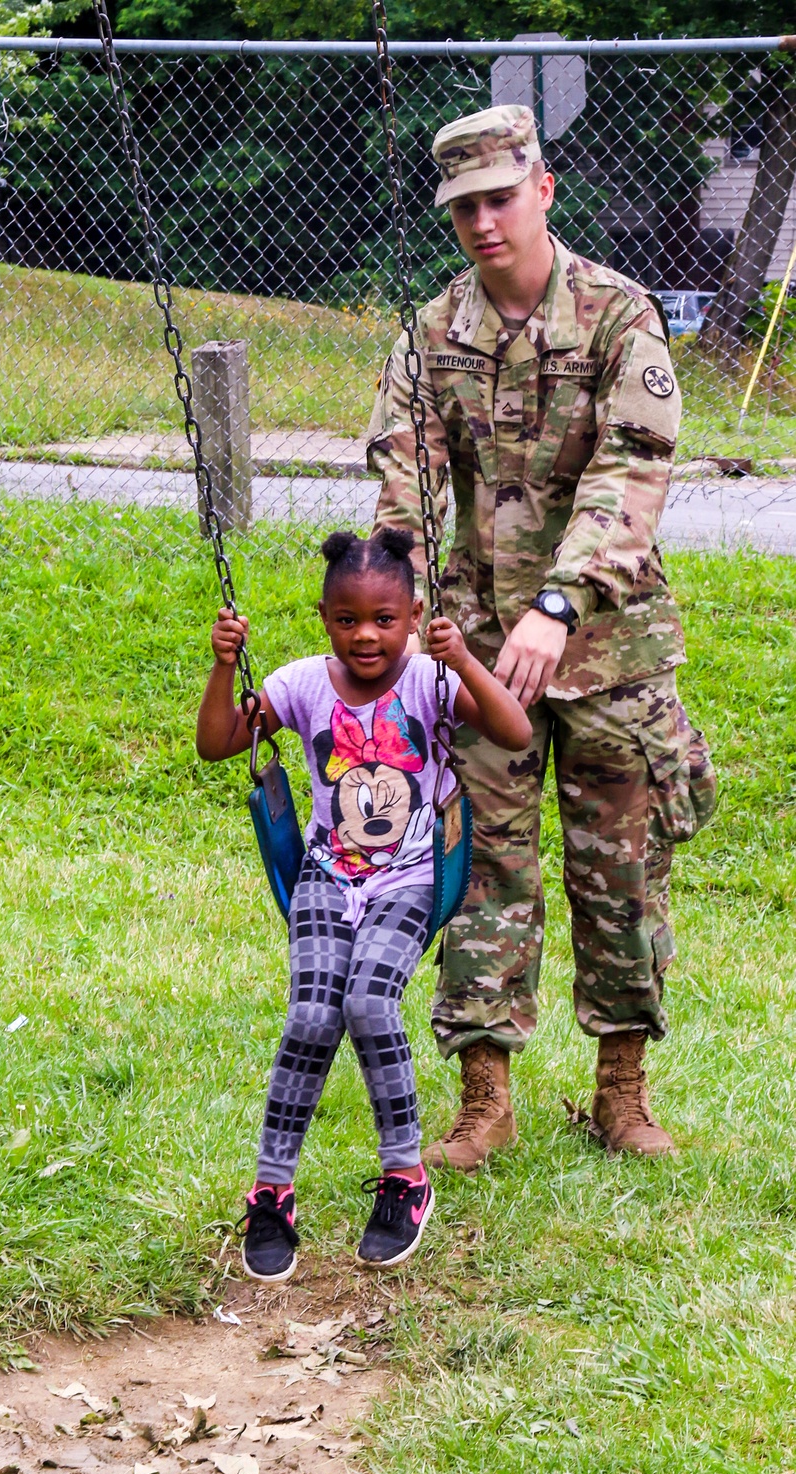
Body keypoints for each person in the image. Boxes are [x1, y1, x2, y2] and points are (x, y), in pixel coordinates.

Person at [366, 104, 716, 1172]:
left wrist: (558, 604)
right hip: (475, 655)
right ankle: (484, 1101)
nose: (480, 222)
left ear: (542, 188)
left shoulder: (618, 315)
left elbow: (633, 465)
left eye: (498, 198)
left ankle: (622, 1093)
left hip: (604, 648)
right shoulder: (431, 334)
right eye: (462, 206)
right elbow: (405, 486)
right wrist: (403, 618)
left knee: (621, 872)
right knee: (482, 871)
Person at [196, 527, 531, 1281]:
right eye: (348, 619)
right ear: (325, 619)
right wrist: (224, 668)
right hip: (326, 876)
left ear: (414, 615)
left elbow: (511, 732)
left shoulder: (431, 683)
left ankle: (404, 1178)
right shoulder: (302, 685)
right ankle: (272, 1189)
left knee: (371, 1005)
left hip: (412, 878)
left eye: (384, 618)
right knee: (313, 1015)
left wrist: (465, 660)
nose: (366, 635)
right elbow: (218, 744)